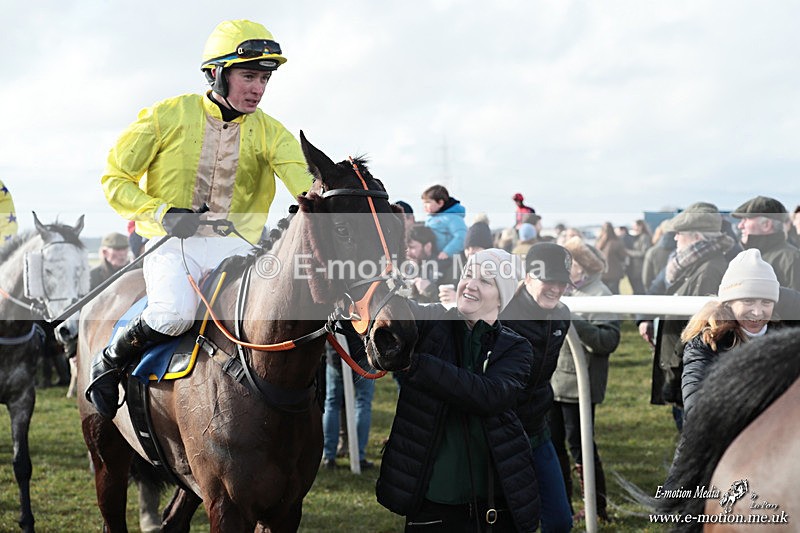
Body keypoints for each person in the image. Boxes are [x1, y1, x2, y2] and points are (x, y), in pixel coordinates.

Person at [86, 19, 313, 419]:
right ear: (215, 73)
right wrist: (162, 213)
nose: (257, 89)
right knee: (173, 314)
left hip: (239, 249)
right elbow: (115, 180)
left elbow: (305, 185)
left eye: (264, 79)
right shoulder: (165, 116)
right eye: (248, 76)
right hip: (173, 243)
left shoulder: (272, 133)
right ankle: (108, 361)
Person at [377, 249, 539, 532]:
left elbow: (489, 396)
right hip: (432, 501)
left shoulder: (516, 347)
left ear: (503, 296)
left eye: (486, 281)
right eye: (468, 275)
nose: (470, 285)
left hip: (495, 503)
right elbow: (392, 310)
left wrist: (417, 366)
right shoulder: (432, 321)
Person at [637, 203, 735, 430]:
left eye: (679, 234)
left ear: (697, 237)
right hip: (681, 362)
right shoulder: (687, 263)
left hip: (690, 367)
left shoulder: (708, 269)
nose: (675, 239)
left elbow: (700, 329)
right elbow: (656, 289)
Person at [500, 243, 574, 532]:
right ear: (528, 277)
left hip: (537, 429)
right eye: (548, 280)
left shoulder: (562, 315)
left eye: (562, 282)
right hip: (498, 432)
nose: (555, 288)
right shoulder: (502, 312)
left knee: (559, 521)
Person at [550, 237, 620, 523]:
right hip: (554, 384)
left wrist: (573, 321)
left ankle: (597, 509)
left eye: (569, 263)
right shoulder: (566, 290)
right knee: (554, 447)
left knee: (581, 448)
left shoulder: (600, 294)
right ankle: (562, 506)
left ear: (583, 266)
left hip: (579, 387)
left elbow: (608, 340)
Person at [680, 249, 780, 421]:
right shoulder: (707, 342)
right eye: (748, 301)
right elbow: (695, 404)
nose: (757, 312)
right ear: (729, 303)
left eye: (766, 302)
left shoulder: (784, 337)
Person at [321, 335, 375, 471]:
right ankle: (358, 456)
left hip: (336, 354)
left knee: (332, 403)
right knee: (362, 402)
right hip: (361, 354)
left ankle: (329, 456)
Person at [731, 195, 800, 290]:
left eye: (746, 219)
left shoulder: (793, 260)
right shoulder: (743, 257)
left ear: (766, 225)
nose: (740, 225)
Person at [405, 225, 458, 304]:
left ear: (428, 246)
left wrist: (429, 289)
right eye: (406, 248)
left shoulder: (446, 266)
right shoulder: (409, 267)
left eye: (412, 247)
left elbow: (449, 302)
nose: (408, 253)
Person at [421, 184, 467, 260]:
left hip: (449, 259)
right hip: (434, 257)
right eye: (424, 203)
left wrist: (447, 252)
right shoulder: (430, 219)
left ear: (440, 203)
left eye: (428, 202)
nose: (425, 206)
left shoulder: (452, 218)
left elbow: (461, 236)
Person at [594, 222, 627, 295]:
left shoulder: (599, 242)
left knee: (603, 293)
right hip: (614, 272)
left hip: (602, 272)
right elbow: (623, 256)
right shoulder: (617, 242)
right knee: (614, 293)